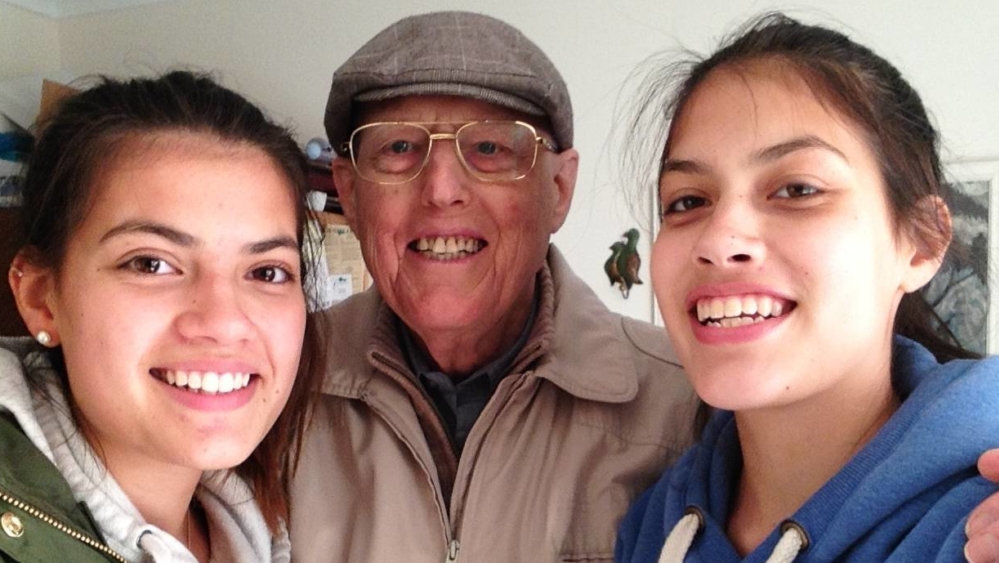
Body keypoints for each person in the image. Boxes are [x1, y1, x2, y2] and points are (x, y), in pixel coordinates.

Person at [287, 11, 699, 563]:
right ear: (351, 194)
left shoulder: (686, 407)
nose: (440, 190)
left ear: (558, 189)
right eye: (399, 148)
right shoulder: (275, 389)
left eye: (489, 150)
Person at [615, 13, 999, 563]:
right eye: (688, 201)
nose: (719, 238)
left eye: (797, 189)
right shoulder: (653, 526)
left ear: (920, 244)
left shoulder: (975, 528)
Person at [2, 70, 325, 562]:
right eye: (151, 263)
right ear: (41, 296)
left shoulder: (263, 522)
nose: (224, 322)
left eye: (265, 271)